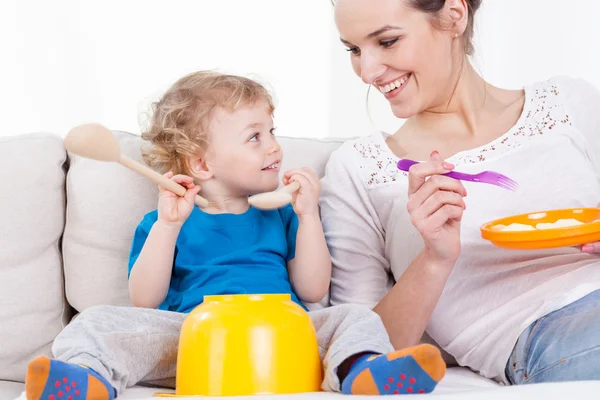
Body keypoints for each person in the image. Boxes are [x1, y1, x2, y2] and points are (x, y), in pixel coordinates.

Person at [24, 71, 446, 400]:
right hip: (192, 335)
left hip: (284, 330)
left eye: (272, 132)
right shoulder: (165, 220)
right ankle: (85, 379)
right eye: (255, 137)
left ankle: (362, 370)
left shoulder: (281, 214)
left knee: (356, 316)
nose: (274, 148)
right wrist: (168, 226)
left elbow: (314, 288)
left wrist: (309, 216)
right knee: (96, 319)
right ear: (202, 164)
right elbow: (145, 301)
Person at [321, 0, 600, 386]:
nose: (367, 72)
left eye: (386, 41)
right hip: (549, 332)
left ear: (454, 15)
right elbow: (360, 349)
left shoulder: (568, 105)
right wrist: (435, 258)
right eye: (353, 50)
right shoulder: (361, 167)